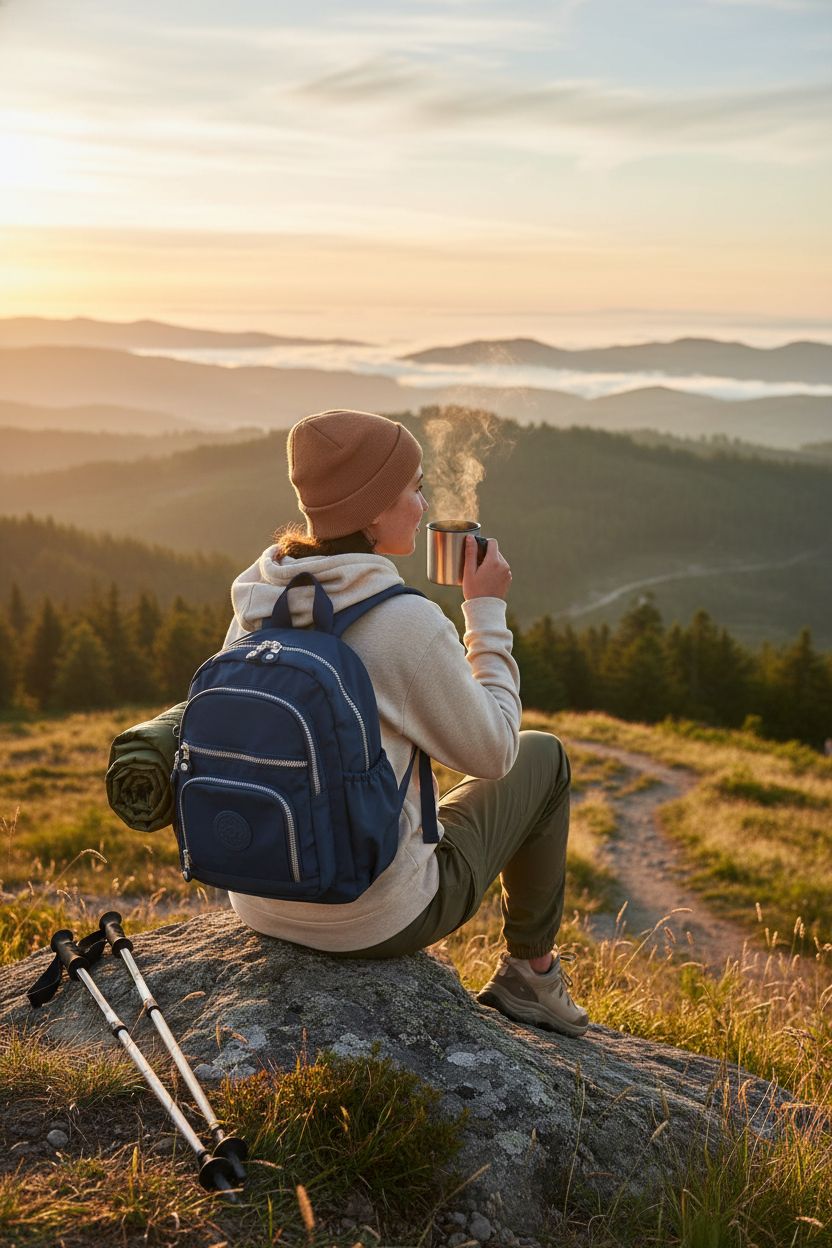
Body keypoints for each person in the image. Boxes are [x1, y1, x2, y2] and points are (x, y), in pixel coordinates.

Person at [221, 408, 588, 1038]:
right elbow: (494, 752)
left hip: (258, 897)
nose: (423, 505)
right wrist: (486, 612)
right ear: (370, 511)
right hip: (372, 919)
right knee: (541, 757)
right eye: (413, 489)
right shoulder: (405, 624)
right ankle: (532, 975)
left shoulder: (259, 595)